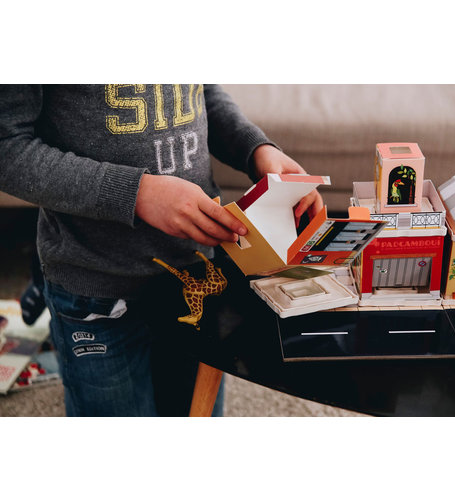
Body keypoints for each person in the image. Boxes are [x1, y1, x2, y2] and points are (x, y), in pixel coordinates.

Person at [0, 84, 323, 416]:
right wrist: (136, 193)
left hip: (196, 276)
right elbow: (7, 148)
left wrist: (255, 148)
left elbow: (202, 93)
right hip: (97, 291)